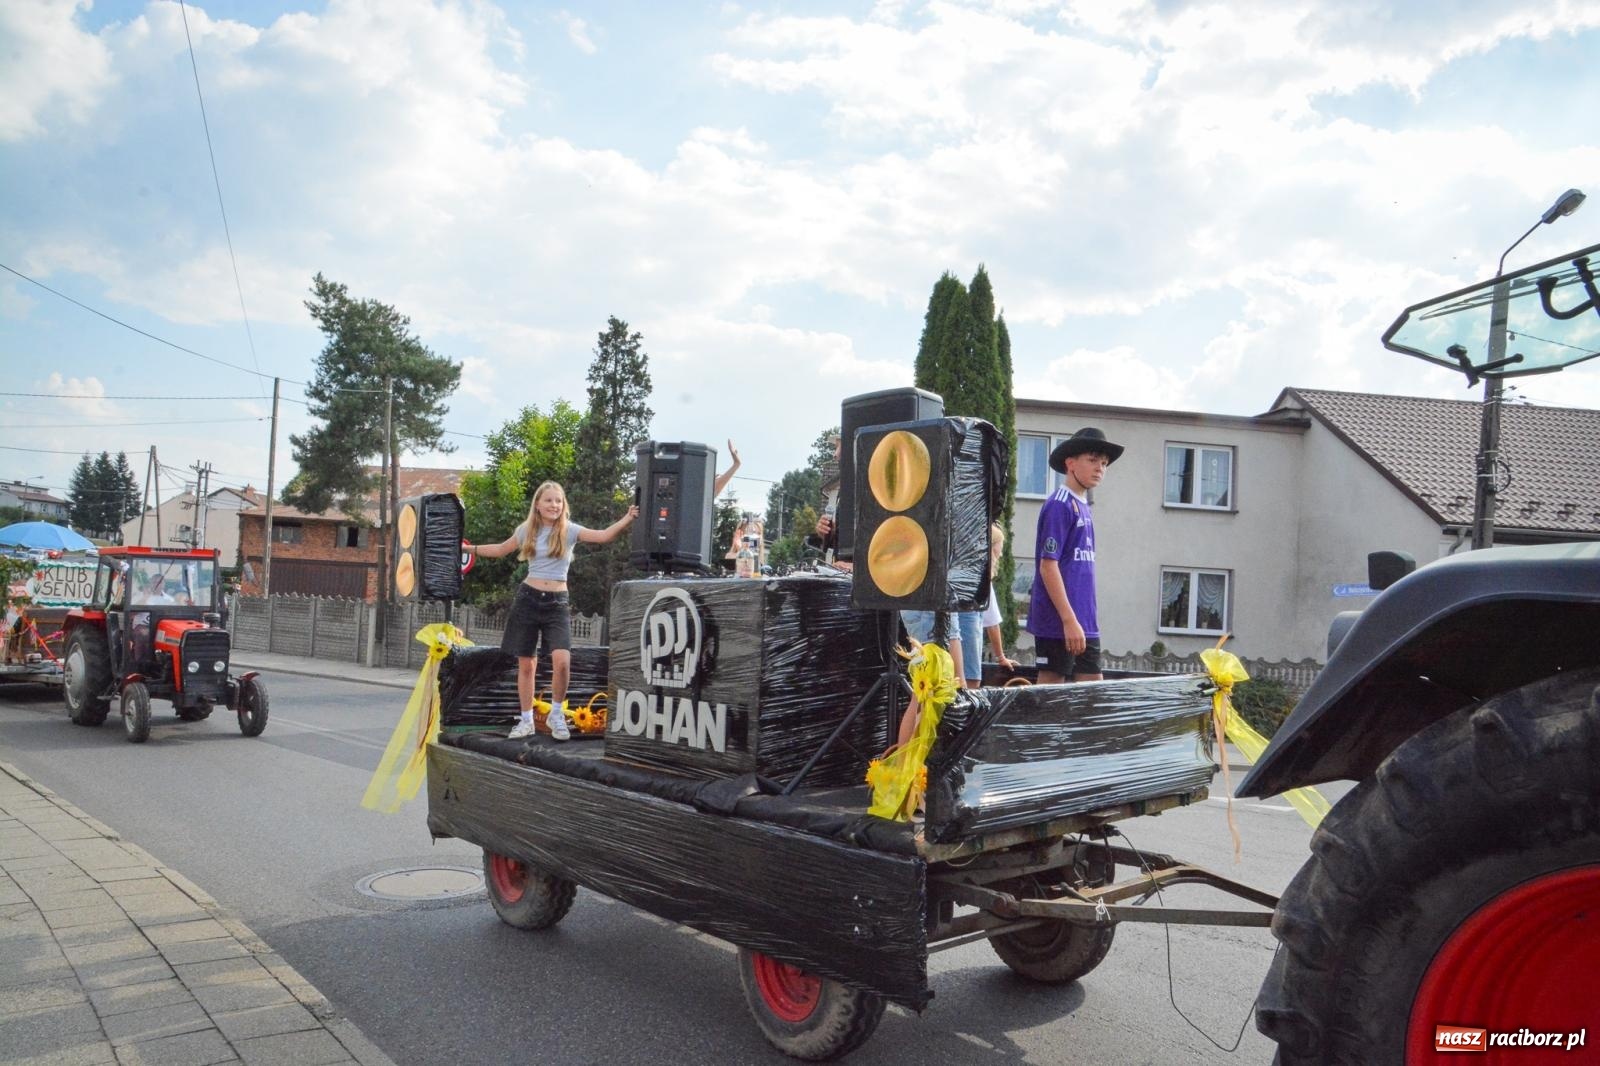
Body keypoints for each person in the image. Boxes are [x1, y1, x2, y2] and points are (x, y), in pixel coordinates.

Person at [465, 482, 639, 740]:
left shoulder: (569, 531)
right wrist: (470, 549)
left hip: (557, 603)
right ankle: (526, 720)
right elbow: (501, 549)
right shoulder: (527, 531)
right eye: (549, 501)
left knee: (563, 662)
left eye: (558, 501)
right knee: (527, 664)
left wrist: (628, 517)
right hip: (527, 600)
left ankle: (556, 715)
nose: (554, 505)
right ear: (538, 504)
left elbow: (603, 536)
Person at [1027, 427, 1123, 683]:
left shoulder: (1084, 506)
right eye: (1092, 460)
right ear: (1070, 463)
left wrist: (1080, 619)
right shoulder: (1059, 504)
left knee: (1092, 699)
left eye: (1104, 463)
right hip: (1059, 622)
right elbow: (1048, 567)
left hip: (1085, 621)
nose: (1100, 468)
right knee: (1051, 700)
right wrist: (1069, 620)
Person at [978, 523, 1020, 686]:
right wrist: (1001, 656)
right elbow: (992, 624)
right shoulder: (983, 582)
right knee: (971, 682)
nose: (1001, 554)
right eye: (998, 547)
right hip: (967, 646)